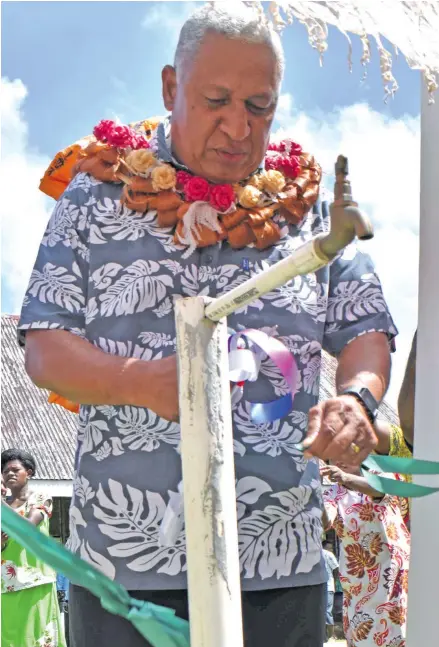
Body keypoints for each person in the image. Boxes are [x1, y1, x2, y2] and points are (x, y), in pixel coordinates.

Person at [19, 5, 397, 647]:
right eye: (215, 99)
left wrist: (358, 397)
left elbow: (365, 324)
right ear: (171, 88)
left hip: (280, 565)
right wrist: (146, 383)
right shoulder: (93, 196)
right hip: (122, 570)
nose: (237, 126)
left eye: (259, 105)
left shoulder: (307, 208)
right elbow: (45, 346)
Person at [321, 461, 410, 647]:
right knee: (365, 638)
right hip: (360, 583)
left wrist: (345, 478)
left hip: (397, 577)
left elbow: (380, 489)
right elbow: (325, 521)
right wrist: (312, 493)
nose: (337, 458)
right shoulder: (331, 493)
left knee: (403, 632)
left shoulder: (383, 472)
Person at [1, 449, 66, 647]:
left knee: (38, 636)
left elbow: (27, 526)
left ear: (28, 472)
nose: (9, 473)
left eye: (15, 469)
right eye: (5, 471)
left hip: (37, 579)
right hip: (6, 583)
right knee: (10, 638)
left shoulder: (40, 498)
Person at [322, 540, 339, 643]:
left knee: (320, 611)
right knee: (328, 611)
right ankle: (331, 636)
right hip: (328, 587)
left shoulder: (315, 554)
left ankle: (324, 636)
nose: (331, 549)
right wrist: (334, 581)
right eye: (330, 547)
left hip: (317, 588)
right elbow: (336, 569)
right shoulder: (329, 554)